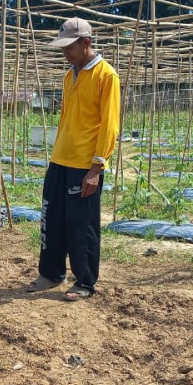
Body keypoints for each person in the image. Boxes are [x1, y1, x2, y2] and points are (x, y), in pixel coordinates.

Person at [25, 17, 120, 301]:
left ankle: (85, 281)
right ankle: (52, 273)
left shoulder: (106, 75)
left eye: (69, 47)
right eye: (62, 47)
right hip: (60, 159)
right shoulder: (70, 75)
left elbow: (110, 125)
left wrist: (96, 168)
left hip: (84, 164)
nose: (65, 52)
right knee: (52, 219)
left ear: (86, 43)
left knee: (82, 225)